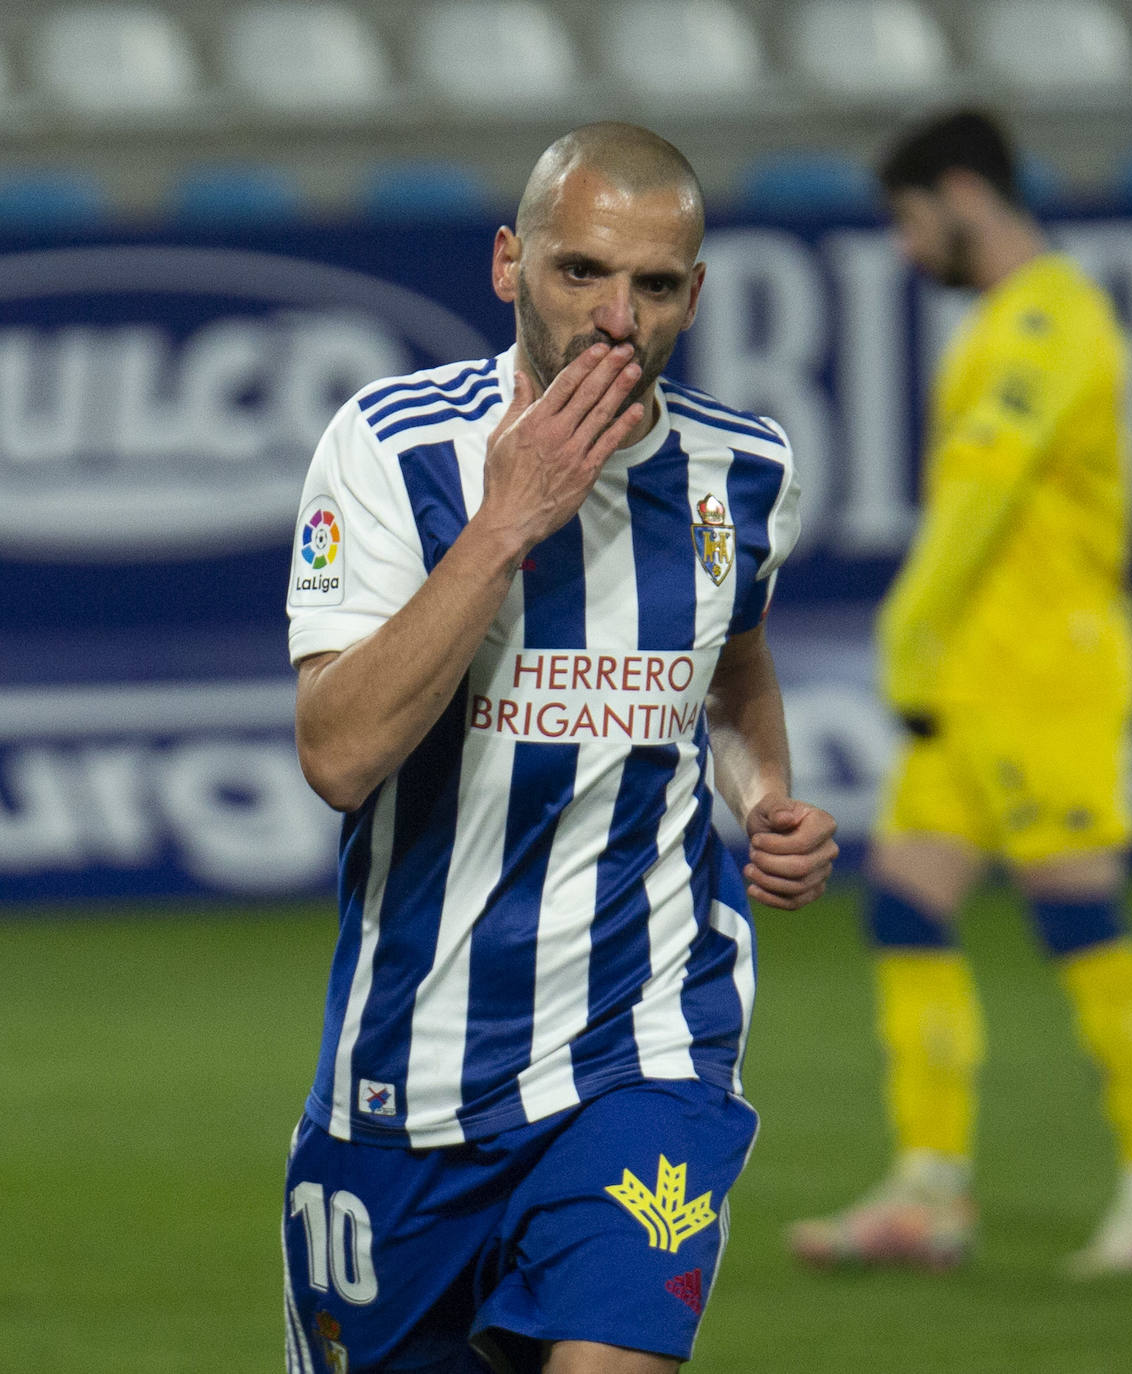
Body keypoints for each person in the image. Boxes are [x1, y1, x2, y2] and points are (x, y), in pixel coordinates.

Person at [282, 121, 838, 1374]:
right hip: (406, 1078)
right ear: (506, 265)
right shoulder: (391, 452)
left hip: (644, 1046)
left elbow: (733, 658)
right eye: (579, 270)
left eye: (650, 286)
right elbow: (337, 754)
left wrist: (767, 794)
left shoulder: (740, 471)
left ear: (691, 294)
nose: (613, 318)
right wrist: (505, 522)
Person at [787, 110, 1132, 1277]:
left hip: (1043, 668)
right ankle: (928, 1191)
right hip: (976, 675)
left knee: (1077, 915)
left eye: (906, 217)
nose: (903, 244)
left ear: (961, 193)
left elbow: (982, 492)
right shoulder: (1004, 320)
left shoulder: (1047, 315)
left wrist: (907, 626)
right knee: (904, 900)